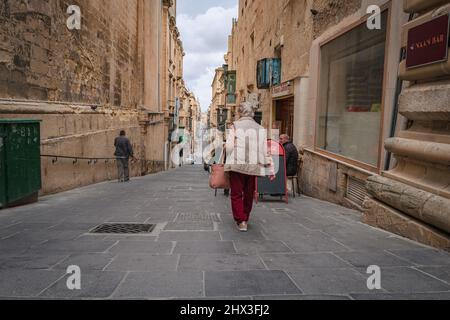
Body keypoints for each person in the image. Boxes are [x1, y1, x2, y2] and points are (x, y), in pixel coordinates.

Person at [224, 102, 274, 232]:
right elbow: (265, 151)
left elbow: (229, 147)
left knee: (236, 193)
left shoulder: (235, 126)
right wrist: (271, 169)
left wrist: (228, 147)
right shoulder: (260, 128)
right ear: (252, 113)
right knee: (248, 193)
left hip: (237, 165)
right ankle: (245, 218)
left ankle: (240, 221)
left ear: (240, 112)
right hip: (253, 165)